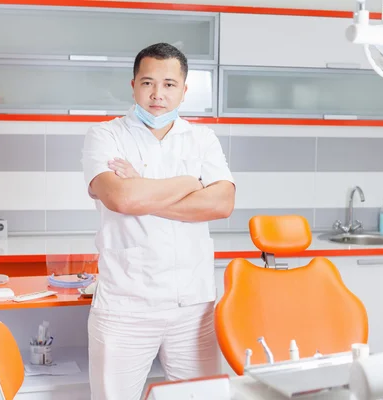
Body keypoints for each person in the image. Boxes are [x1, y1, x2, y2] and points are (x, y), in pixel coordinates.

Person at [81, 42, 236, 400]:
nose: (157, 94)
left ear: (184, 90)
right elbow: (121, 198)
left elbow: (223, 203)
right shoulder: (105, 135)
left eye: (169, 84)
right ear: (133, 85)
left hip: (193, 307)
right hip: (126, 307)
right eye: (148, 82)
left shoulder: (201, 138)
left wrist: (143, 190)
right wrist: (189, 183)